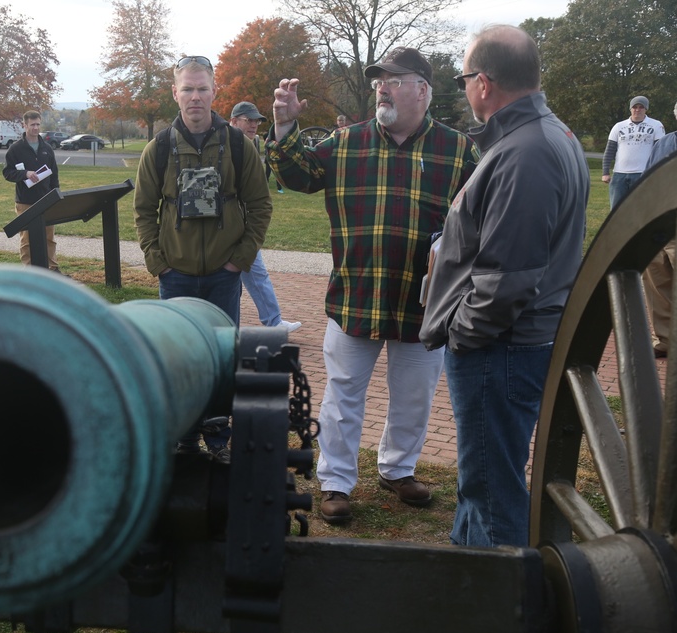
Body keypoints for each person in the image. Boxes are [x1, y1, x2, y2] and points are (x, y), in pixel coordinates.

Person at [268, 47, 477, 525]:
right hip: (356, 295)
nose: (381, 86)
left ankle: (398, 469)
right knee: (342, 396)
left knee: (414, 396)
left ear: (422, 90)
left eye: (394, 79)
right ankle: (336, 481)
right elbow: (295, 174)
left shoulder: (458, 150)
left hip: (423, 302)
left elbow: (483, 215)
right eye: (378, 80)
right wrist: (283, 126)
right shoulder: (346, 143)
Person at [420, 26, 589, 547]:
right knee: (484, 476)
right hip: (507, 344)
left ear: (484, 83)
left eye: (464, 77)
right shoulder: (542, 136)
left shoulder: (526, 152)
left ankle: (503, 602)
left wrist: (463, 334)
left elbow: (506, 280)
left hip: (500, 348)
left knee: (493, 484)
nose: (464, 88)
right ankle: (469, 564)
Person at [135, 55, 272, 463]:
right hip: (174, 276)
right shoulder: (157, 149)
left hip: (222, 276)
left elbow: (260, 206)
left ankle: (217, 438)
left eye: (203, 88)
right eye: (187, 89)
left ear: (215, 91)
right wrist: (157, 261)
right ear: (175, 93)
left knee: (221, 358)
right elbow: (143, 210)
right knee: (176, 359)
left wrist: (239, 261)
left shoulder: (237, 144)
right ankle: (183, 436)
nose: (195, 97)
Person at [229, 101, 302, 334]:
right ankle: (266, 323)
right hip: (228, 228)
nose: (254, 125)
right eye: (248, 120)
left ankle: (272, 322)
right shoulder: (225, 147)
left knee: (251, 276)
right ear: (233, 121)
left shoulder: (251, 145)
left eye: (256, 121)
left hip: (244, 227)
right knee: (238, 280)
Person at [3, 110, 60, 270]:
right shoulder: (15, 149)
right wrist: (24, 174)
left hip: (46, 200)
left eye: (38, 125)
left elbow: (54, 175)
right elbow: (7, 173)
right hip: (25, 201)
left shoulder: (47, 148)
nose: (36, 128)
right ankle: (29, 270)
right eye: (32, 125)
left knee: (49, 237)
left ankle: (52, 268)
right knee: (26, 238)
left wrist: (56, 195)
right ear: (25, 125)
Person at [642, 100, 677, 358]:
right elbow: (647, 180)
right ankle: (664, 339)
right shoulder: (663, 144)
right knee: (656, 278)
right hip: (660, 224)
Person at [602, 95, 665, 209]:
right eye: (635, 107)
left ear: (646, 109)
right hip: (619, 175)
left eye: (641, 107)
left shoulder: (656, 125)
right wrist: (605, 172)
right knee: (616, 210)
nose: (637, 110)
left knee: (641, 210)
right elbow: (610, 150)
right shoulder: (619, 126)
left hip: (643, 174)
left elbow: (660, 150)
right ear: (630, 108)